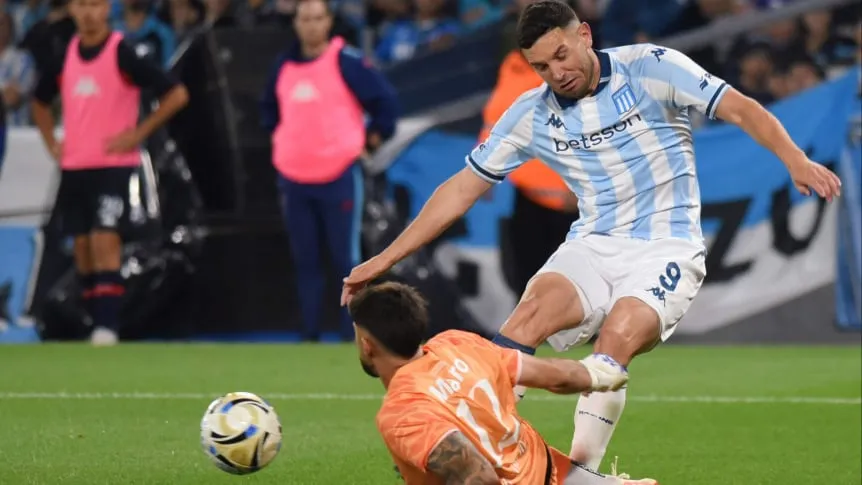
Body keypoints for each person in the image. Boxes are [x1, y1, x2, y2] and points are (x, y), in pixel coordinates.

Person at [342, 0, 842, 473]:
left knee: (616, 337)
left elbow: (740, 108)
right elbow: (461, 189)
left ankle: (582, 475)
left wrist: (795, 160)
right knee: (524, 320)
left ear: (583, 34)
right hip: (594, 242)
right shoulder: (531, 113)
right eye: (541, 66)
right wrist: (383, 260)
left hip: (667, 246)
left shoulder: (650, 66)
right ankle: (481, 446)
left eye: (561, 55)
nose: (556, 72)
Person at [349, 281, 655, 485]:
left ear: (367, 344)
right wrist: (598, 373)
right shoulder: (458, 343)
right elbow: (556, 376)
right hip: (553, 470)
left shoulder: (402, 412)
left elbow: (481, 478)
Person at [31, 0, 189, 346]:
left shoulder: (122, 52)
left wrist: (138, 133)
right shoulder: (65, 55)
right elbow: (39, 101)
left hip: (113, 165)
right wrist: (51, 142)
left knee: (105, 238)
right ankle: (90, 319)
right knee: (82, 246)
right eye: (81, 5)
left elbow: (176, 94)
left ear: (106, 9)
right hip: (75, 165)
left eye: (94, 4)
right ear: (72, 10)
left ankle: (107, 325)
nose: (88, 13)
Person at [260, 0, 398, 342]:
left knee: (345, 261)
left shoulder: (347, 61)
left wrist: (373, 139)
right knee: (305, 259)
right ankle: (308, 334)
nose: (311, 25)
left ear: (328, 22)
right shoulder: (283, 65)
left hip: (339, 174)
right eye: (305, 18)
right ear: (296, 23)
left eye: (317, 18)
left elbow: (386, 102)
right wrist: (285, 140)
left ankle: (351, 334)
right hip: (294, 177)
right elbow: (268, 111)